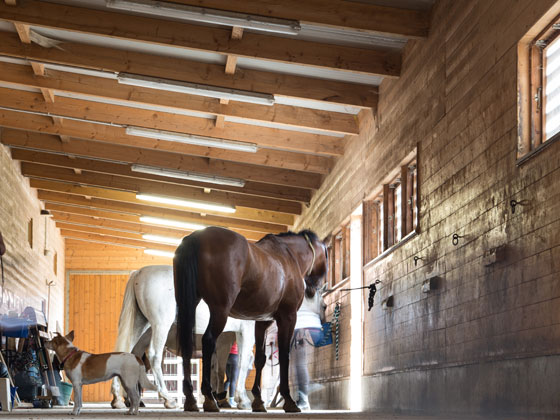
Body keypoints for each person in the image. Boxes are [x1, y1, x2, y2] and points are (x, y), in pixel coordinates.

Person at [291, 296, 322, 411]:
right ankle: (303, 393)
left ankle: (304, 398)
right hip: (312, 326)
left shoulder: (299, 288)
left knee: (300, 364)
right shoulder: (313, 291)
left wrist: (301, 333)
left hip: (302, 327)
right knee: (299, 364)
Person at [223, 341, 239, 407]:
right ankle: (231, 400)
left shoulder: (229, 335)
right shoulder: (237, 336)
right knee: (233, 380)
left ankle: (221, 398)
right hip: (235, 356)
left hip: (227, 356)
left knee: (228, 379)